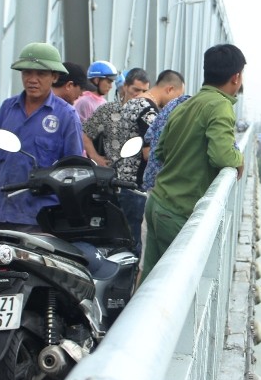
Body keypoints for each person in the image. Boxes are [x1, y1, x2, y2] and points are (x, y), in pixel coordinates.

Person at [140, 45, 246, 284]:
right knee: (174, 287)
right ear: (236, 77)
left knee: (149, 282)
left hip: (157, 204)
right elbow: (221, 156)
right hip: (178, 212)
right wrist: (239, 159)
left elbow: (161, 150)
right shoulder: (220, 105)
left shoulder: (185, 103)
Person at [0, 42, 84, 232]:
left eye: (41, 74)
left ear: (54, 77)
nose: (32, 80)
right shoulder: (7, 109)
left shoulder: (66, 115)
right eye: (27, 73)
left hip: (41, 218)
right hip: (3, 212)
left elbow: (74, 168)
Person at [115, 70, 185, 255]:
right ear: (169, 89)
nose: (174, 106)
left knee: (121, 242)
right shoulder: (149, 111)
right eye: (176, 99)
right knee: (133, 246)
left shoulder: (131, 103)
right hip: (134, 186)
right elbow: (150, 153)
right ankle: (129, 283)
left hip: (119, 181)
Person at [82, 67, 150, 167]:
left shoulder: (149, 115)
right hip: (112, 175)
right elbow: (85, 133)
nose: (140, 95)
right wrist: (95, 157)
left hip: (140, 178)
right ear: (125, 86)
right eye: (136, 90)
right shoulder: (108, 110)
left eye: (144, 91)